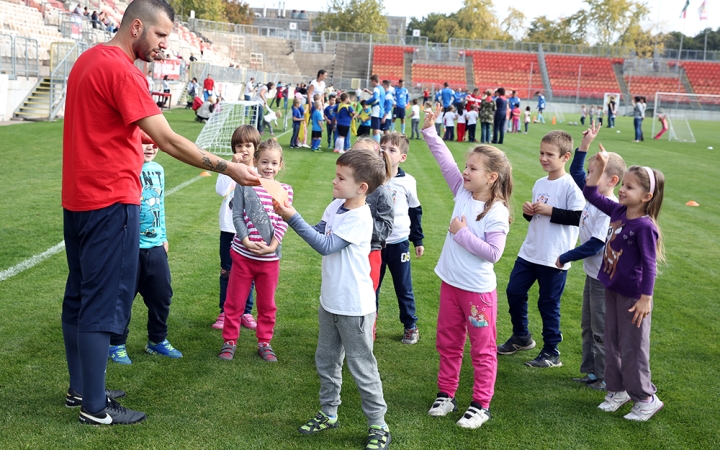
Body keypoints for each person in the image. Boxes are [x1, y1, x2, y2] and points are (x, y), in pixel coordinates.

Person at [61, 0, 259, 426]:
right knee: (99, 303)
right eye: (161, 35)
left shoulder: (87, 60)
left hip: (77, 200)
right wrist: (230, 168)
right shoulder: (122, 70)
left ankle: (83, 390)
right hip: (111, 202)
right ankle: (95, 408)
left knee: (77, 296)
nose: (166, 45)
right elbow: (167, 140)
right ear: (136, 27)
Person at [274, 150, 392, 450]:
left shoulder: (361, 217)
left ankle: (378, 424)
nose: (334, 181)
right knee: (326, 361)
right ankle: (328, 413)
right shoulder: (337, 206)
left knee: (362, 367)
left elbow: (326, 246)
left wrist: (292, 217)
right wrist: (288, 218)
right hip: (331, 302)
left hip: (355, 308)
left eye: (341, 178)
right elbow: (319, 231)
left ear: (362, 187)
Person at [421, 105, 513, 429]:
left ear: (491, 177)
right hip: (450, 284)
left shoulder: (497, 212)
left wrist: (461, 234)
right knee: (448, 342)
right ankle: (446, 394)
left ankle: (481, 404)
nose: (465, 172)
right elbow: (444, 159)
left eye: (472, 168)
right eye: (466, 166)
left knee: (482, 349)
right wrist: (430, 130)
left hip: (477, 293)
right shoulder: (462, 190)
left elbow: (494, 253)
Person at [583, 149, 666, 422]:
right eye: (623, 185)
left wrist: (646, 298)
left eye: (629, 187)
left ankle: (645, 398)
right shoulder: (618, 210)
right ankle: (617, 390)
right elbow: (591, 194)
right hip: (612, 288)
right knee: (612, 342)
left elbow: (650, 265)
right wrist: (601, 166)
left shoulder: (645, 227)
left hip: (634, 297)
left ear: (646, 197)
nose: (621, 190)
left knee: (633, 348)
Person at [498, 131, 585, 367]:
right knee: (514, 292)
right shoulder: (540, 183)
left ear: (566, 156)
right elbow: (540, 218)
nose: (544, 158)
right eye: (541, 153)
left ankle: (551, 351)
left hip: (554, 256)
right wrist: (530, 213)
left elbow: (580, 217)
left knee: (548, 304)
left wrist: (550, 211)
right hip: (530, 251)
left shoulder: (570, 186)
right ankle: (521, 336)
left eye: (550, 154)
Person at [559, 124, 625, 391]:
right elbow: (575, 172)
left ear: (612, 181)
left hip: (603, 279)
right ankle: (592, 373)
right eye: (590, 172)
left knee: (601, 329)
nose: (588, 177)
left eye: (595, 173)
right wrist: (585, 145)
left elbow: (596, 245)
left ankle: (606, 377)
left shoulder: (607, 209)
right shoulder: (593, 199)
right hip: (592, 274)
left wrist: (566, 256)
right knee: (588, 326)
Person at [107, 143, 183, 365]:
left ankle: (157, 341)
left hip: (156, 245)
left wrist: (163, 235)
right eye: (144, 142)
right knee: (122, 298)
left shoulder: (157, 169)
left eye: (154, 143)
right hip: (129, 248)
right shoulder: (124, 168)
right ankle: (116, 344)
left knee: (162, 295)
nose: (150, 147)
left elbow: (159, 205)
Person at [219, 139, 293, 363]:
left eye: (273, 163)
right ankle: (229, 340)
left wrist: (273, 245)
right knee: (234, 302)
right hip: (242, 255)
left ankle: (264, 342)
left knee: (267, 304)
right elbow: (238, 215)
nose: (268, 167)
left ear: (280, 165)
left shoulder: (285, 190)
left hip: (269, 260)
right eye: (264, 162)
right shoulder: (245, 185)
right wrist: (245, 239)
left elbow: (284, 220)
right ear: (256, 162)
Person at [212, 125, 261, 331]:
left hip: (250, 231)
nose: (243, 150)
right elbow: (221, 190)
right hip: (229, 228)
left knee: (248, 272)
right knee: (228, 271)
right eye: (239, 145)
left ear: (255, 148)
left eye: (248, 145)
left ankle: (246, 311)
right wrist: (230, 167)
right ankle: (225, 311)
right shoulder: (229, 169)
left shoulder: (260, 172)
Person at [378, 132, 424, 345]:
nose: (385, 152)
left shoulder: (408, 181)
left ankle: (410, 326)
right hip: (375, 244)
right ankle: (370, 325)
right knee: (371, 287)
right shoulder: (372, 177)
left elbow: (415, 211)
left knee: (403, 287)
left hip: (399, 243)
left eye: (391, 149)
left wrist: (418, 240)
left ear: (402, 157)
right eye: (383, 147)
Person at [364, 75, 386, 143]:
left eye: (371, 81)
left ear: (374, 81)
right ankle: (376, 144)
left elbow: (375, 97)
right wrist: (368, 91)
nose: (371, 83)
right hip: (380, 110)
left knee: (375, 129)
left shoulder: (376, 88)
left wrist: (366, 102)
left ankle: (376, 146)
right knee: (376, 128)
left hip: (376, 110)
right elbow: (376, 95)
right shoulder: (381, 88)